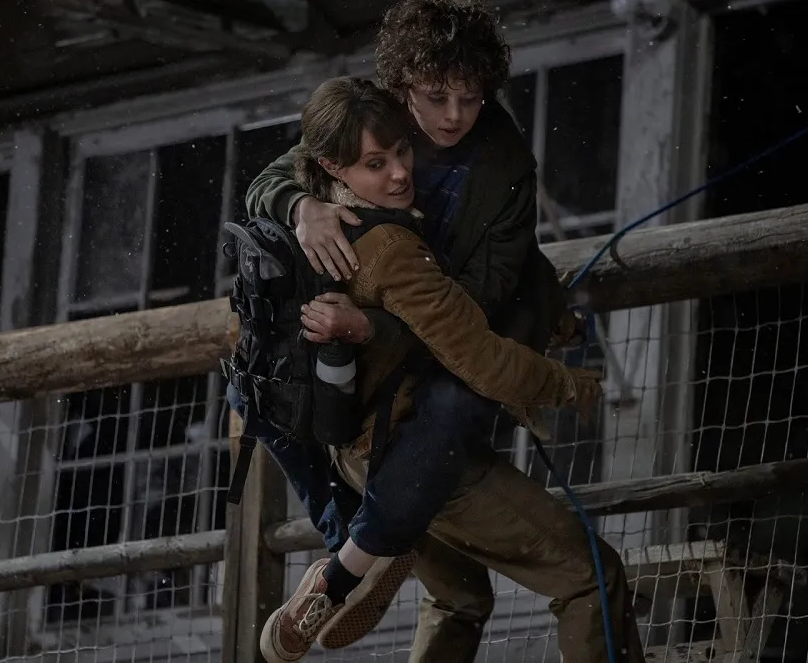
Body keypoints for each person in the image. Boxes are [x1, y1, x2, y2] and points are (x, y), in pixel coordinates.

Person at [234, 75, 646, 663]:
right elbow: (479, 357)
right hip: (417, 453)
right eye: (376, 163)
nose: (400, 173)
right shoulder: (392, 247)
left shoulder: (313, 222)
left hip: (354, 450)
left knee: (458, 598)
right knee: (591, 575)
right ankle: (354, 560)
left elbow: (497, 268)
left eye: (402, 152)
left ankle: (354, 554)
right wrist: (567, 384)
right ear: (331, 165)